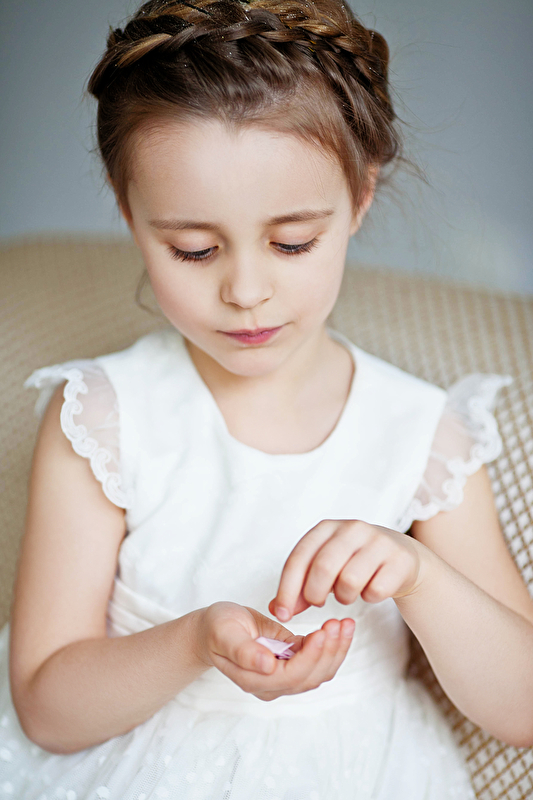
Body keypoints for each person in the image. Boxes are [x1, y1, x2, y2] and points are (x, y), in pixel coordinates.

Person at [1, 0, 533, 797]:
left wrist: (418, 574)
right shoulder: (103, 419)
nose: (245, 290)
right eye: (193, 249)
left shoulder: (422, 433)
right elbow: (47, 709)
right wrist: (193, 643)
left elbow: (521, 709)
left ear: (359, 196)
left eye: (291, 243)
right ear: (128, 210)